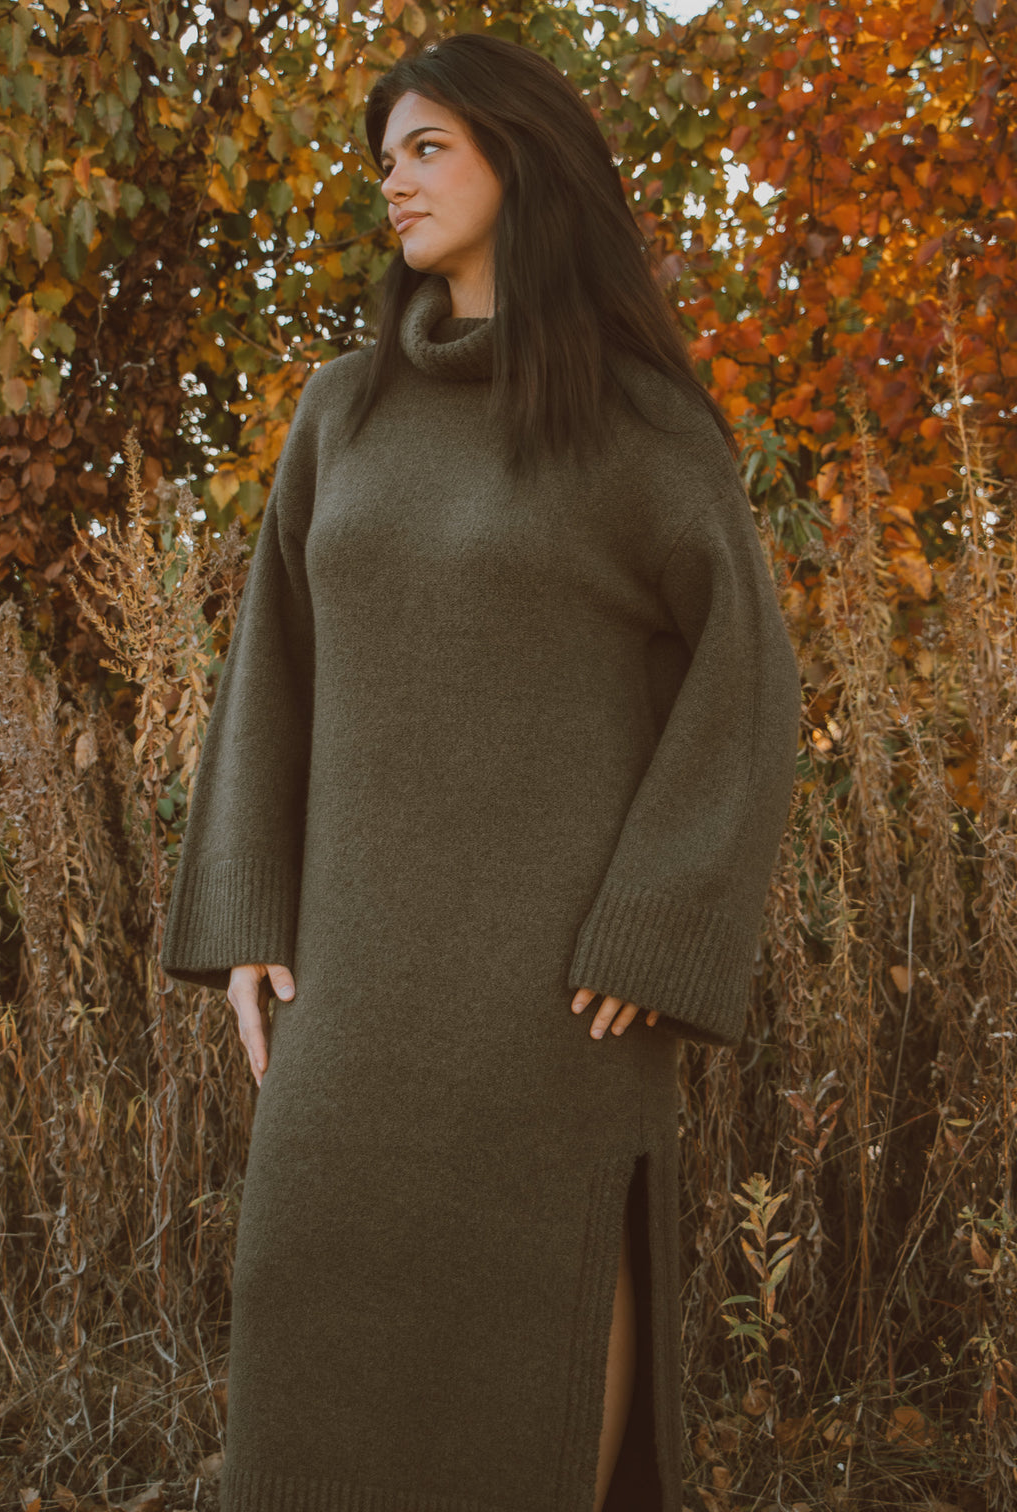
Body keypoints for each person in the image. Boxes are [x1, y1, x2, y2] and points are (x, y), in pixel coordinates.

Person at [160, 29, 801, 1512]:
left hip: (558, 991)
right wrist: (250, 913)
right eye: (386, 156)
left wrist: (660, 922)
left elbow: (748, 682)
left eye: (428, 147)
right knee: (308, 1302)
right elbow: (274, 660)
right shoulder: (342, 412)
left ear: (524, 158)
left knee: (536, 1324)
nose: (394, 180)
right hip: (352, 978)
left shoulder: (638, 427)